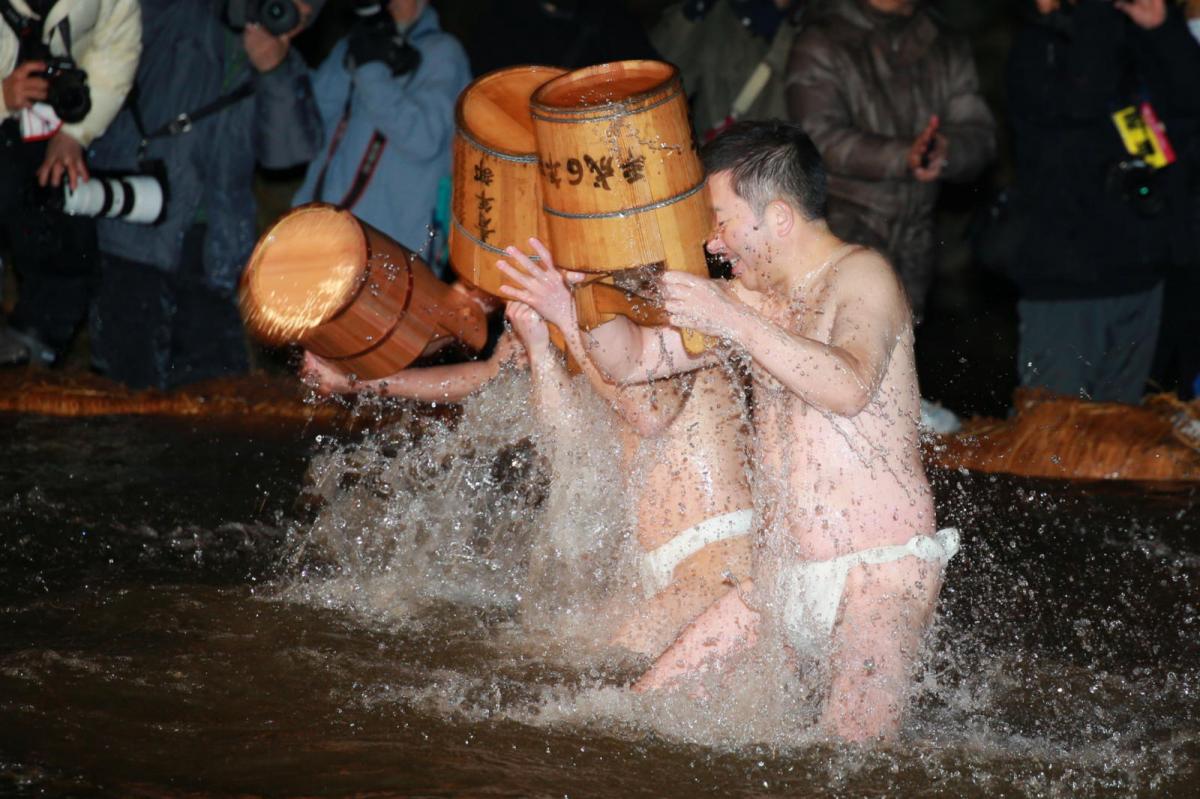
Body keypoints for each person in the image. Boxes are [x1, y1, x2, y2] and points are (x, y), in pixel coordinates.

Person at [498, 120, 959, 742]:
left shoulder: (863, 276)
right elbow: (631, 362)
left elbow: (849, 385)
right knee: (627, 724)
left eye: (721, 222)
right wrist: (578, 301)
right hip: (777, 583)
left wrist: (732, 320)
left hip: (876, 576)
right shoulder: (746, 300)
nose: (713, 244)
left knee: (851, 760)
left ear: (779, 217)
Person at [304, 281, 755, 660]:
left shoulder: (672, 295)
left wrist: (562, 316)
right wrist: (540, 348)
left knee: (605, 682)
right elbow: (562, 440)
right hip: (645, 564)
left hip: (716, 555)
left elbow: (647, 411)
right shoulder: (561, 296)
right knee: (538, 659)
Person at [85, 0, 324, 390]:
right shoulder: (182, 13)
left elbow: (287, 154)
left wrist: (273, 71)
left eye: (303, 14)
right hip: (134, 232)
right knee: (125, 390)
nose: (285, 14)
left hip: (215, 245)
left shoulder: (286, 67)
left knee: (214, 395)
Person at [1004, 0, 1200, 404]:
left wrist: (1163, 29)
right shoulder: (1040, 44)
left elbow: (1189, 103)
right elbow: (1081, 97)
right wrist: (1097, 13)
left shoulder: (1132, 34)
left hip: (1142, 274)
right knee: (1054, 430)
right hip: (1066, 284)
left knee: (1121, 433)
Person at [785, 0, 995, 323]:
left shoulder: (942, 42)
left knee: (899, 348)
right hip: (840, 235)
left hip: (915, 241)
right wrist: (903, 155)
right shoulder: (823, 40)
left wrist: (946, 151)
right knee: (841, 344)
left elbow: (980, 134)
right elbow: (817, 138)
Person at [0, 0, 141, 366]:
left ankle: (33, 348)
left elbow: (117, 49)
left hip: (48, 123)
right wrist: (2, 96)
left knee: (64, 229)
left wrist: (75, 134)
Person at [293, 0, 469, 269]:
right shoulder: (352, 45)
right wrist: (283, 66)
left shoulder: (442, 52)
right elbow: (309, 126)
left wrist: (370, 70)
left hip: (392, 256)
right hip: (318, 239)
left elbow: (423, 139)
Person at [651, 0, 801, 142]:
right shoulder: (721, 17)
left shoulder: (808, 32)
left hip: (779, 155)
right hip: (713, 152)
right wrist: (691, 14)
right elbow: (659, 83)